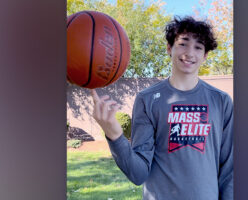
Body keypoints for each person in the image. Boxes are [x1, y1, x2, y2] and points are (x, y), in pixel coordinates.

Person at [91, 16, 233, 200]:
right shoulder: (147, 99)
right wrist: (115, 135)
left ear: (205, 55)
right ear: (169, 48)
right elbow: (138, 173)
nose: (190, 53)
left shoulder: (220, 101)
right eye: (183, 44)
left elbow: (229, 170)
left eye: (198, 47)